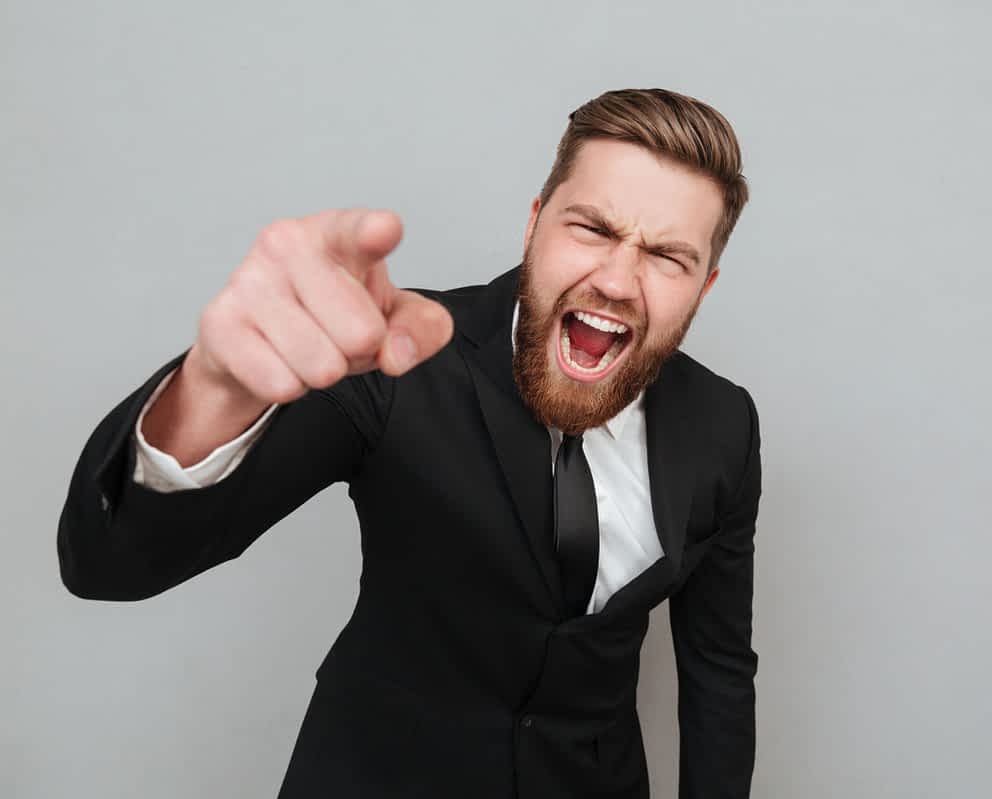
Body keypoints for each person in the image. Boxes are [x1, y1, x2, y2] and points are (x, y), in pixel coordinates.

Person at [58, 87, 762, 799]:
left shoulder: (722, 424)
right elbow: (112, 564)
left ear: (702, 286)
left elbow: (719, 673)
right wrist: (213, 388)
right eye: (590, 228)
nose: (616, 279)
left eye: (667, 257)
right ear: (534, 223)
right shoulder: (394, 350)